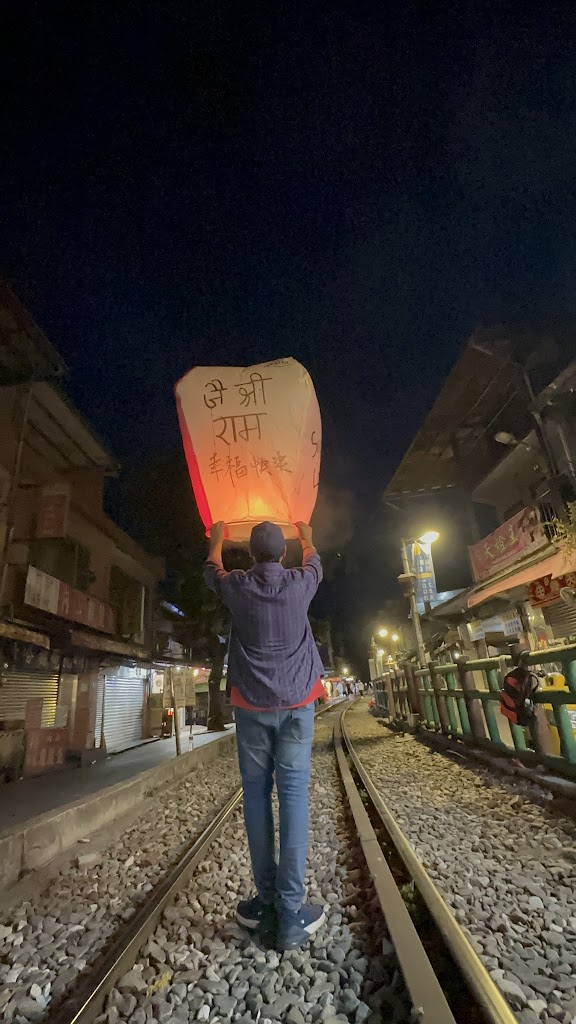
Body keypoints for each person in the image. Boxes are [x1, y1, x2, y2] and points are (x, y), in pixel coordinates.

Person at [203, 520, 326, 951]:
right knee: (293, 797)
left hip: (252, 706)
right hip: (297, 704)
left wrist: (217, 540)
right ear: (283, 554)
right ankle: (291, 912)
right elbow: (316, 562)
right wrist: (306, 534)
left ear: (251, 555)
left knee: (256, 796)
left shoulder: (237, 587)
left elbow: (210, 570)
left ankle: (267, 900)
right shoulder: (300, 584)